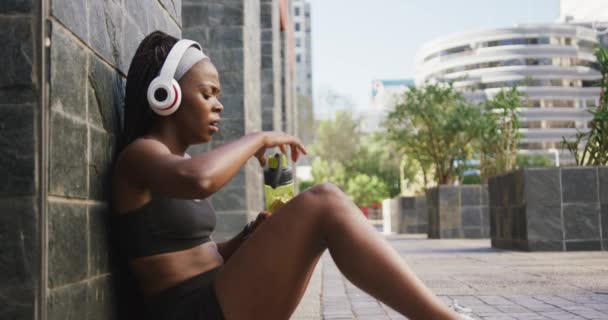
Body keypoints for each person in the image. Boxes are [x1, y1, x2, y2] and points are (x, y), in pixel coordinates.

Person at [110, 30, 467, 320]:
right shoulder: (141, 155)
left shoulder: (174, 162)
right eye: (208, 94)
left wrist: (250, 234)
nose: (219, 105)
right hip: (189, 310)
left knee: (321, 209)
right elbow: (198, 179)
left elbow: (204, 253)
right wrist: (259, 138)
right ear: (165, 96)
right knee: (324, 202)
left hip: (214, 294)